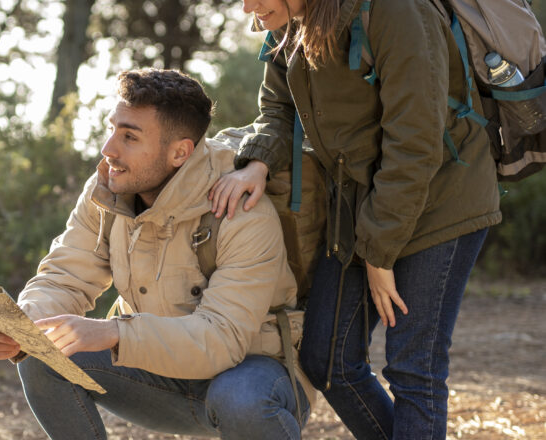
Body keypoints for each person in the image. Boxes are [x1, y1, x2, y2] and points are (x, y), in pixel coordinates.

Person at [209, 1, 502, 438]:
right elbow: (277, 108)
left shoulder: (397, 10)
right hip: (357, 206)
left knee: (412, 367)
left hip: (442, 196)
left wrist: (378, 255)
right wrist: (258, 162)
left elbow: (415, 143)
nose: (249, 7)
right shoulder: (287, 22)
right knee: (328, 360)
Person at [0, 68, 314, 440]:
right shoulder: (106, 188)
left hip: (253, 376)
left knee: (240, 398)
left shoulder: (243, 209)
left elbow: (222, 340)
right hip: (158, 375)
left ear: (179, 152)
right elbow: (64, 275)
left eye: (129, 137)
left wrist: (113, 333)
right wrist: (23, 325)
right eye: (112, 128)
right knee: (42, 354)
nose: (109, 149)